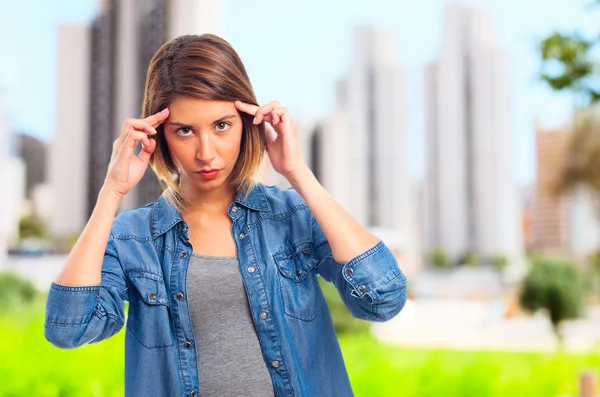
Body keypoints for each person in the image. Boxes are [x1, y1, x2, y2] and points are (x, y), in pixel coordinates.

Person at [44, 33, 408, 397]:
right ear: (160, 135)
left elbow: (383, 299)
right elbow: (69, 328)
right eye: (185, 130)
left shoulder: (292, 215)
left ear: (248, 122)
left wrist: (298, 172)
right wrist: (112, 191)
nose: (206, 153)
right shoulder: (131, 238)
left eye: (221, 126)